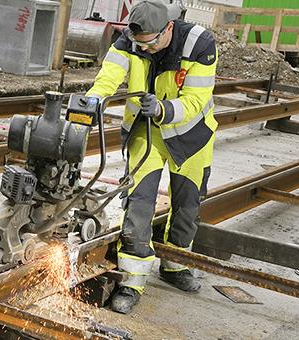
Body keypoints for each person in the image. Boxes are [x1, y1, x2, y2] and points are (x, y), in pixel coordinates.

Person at [82, 0, 218, 314]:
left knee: (187, 204)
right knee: (138, 204)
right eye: (139, 44)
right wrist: (93, 100)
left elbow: (197, 99)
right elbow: (109, 75)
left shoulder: (200, 43)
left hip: (191, 135)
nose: (145, 49)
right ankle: (131, 281)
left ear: (168, 28)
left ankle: (174, 267)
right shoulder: (130, 40)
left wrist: (163, 109)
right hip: (146, 133)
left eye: (151, 43)